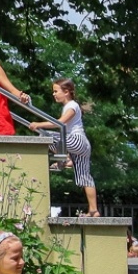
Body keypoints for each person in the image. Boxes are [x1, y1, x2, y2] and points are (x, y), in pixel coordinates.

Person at [29, 79, 98, 216]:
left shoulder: (72, 105)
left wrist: (39, 124)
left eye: (56, 91)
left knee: (45, 135)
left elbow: (60, 123)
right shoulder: (71, 105)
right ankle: (93, 210)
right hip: (82, 145)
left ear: (66, 92)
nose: (53, 94)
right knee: (85, 177)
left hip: (76, 141)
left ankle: (65, 159)